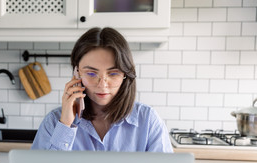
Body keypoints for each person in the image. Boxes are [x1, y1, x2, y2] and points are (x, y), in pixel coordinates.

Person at [31, 27, 173, 152]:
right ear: (77, 73)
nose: (102, 85)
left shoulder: (148, 121)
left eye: (113, 73)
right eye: (91, 73)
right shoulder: (54, 122)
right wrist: (65, 125)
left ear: (126, 74)